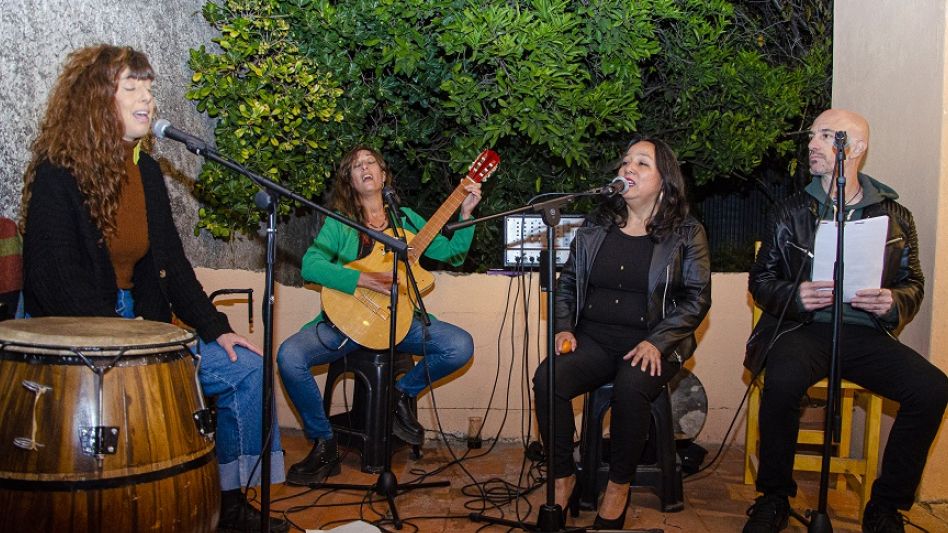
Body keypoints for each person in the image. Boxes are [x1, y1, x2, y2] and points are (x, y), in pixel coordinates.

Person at [18, 44, 288, 533]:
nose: (147, 99)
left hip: (146, 328)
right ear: (97, 99)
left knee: (247, 369)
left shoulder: (145, 170)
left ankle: (230, 501)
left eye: (149, 88)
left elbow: (172, 266)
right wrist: (127, 336)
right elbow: (52, 280)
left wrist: (216, 328)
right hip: (84, 339)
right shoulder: (58, 172)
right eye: (132, 88)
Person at [744, 109, 948, 533]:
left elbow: (914, 283)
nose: (812, 144)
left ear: (854, 149)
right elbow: (761, 280)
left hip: (864, 334)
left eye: (825, 136)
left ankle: (886, 506)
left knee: (932, 389)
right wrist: (794, 295)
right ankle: (774, 497)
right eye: (812, 136)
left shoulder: (895, 216)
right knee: (781, 382)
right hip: (804, 330)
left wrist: (892, 302)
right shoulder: (790, 211)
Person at [532, 135, 711, 529]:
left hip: (653, 342)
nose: (628, 168)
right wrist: (564, 329)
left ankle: (618, 488)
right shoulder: (597, 225)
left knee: (632, 385)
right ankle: (563, 478)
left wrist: (658, 341)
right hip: (594, 339)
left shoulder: (686, 232)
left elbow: (696, 299)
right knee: (549, 377)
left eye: (642, 163)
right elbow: (567, 283)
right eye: (626, 161)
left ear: (665, 179)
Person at [277, 145, 481, 485]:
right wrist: (364, 278)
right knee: (289, 356)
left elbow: (453, 253)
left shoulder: (408, 220)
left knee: (460, 345)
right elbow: (311, 266)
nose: (365, 167)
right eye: (356, 165)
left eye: (371, 162)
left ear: (383, 174)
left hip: (399, 323)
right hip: (348, 321)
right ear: (351, 182)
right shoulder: (341, 223)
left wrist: (466, 215)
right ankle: (324, 443)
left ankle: (402, 392)